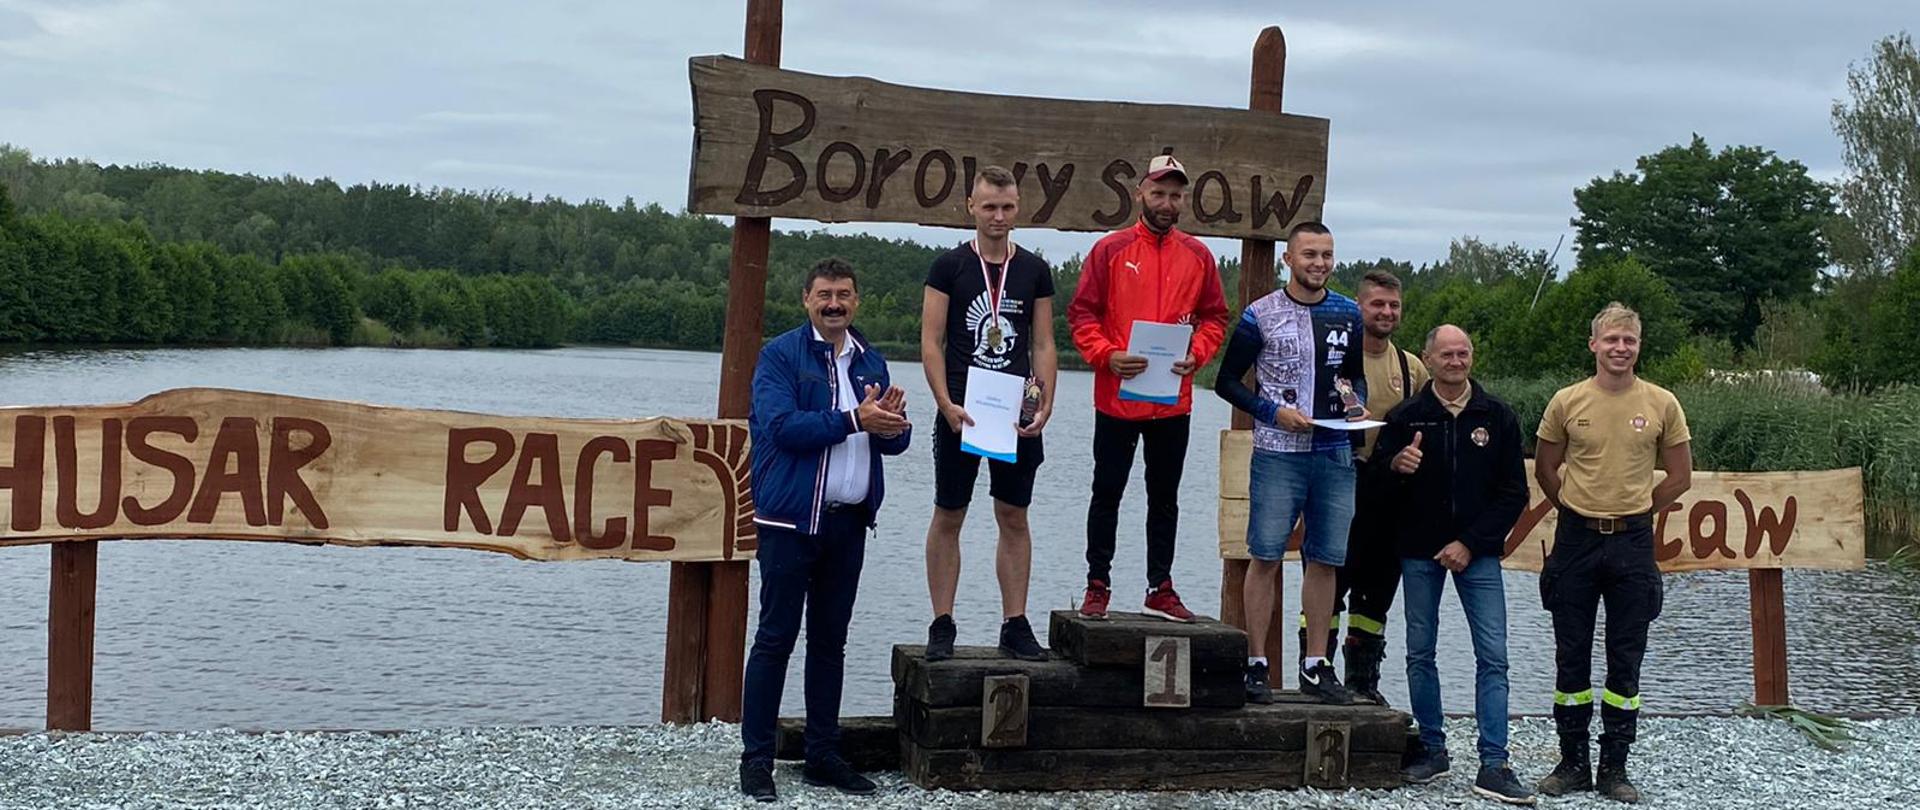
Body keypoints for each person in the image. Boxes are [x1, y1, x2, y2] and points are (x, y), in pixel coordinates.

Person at [738, 258, 913, 803]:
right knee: (774, 640)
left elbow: (890, 442)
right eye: (824, 295)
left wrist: (892, 427)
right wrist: (856, 420)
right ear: (806, 300)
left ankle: (822, 754)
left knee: (831, 643)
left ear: (857, 301)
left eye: (843, 294)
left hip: (848, 523)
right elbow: (783, 428)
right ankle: (756, 759)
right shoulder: (779, 356)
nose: (834, 303)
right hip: (791, 522)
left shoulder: (870, 361)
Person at [1533, 302, 1692, 804]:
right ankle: (1572, 762)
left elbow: (1680, 476)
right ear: (1594, 345)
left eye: (1629, 341)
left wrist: (1639, 508)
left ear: (1639, 346)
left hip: (1632, 543)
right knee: (1570, 656)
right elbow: (1546, 469)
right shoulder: (1567, 401)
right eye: (1611, 340)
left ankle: (1615, 767)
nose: (1620, 348)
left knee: (1626, 659)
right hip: (1576, 541)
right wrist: (1579, 508)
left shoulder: (1662, 402)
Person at [1370, 325, 1533, 805]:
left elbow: (1513, 494)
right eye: (1446, 354)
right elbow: (1377, 489)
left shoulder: (1497, 416)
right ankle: (1433, 749)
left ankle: (1494, 763)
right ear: (1429, 358)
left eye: (1463, 353)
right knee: (1420, 651)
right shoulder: (1405, 417)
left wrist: (1468, 541)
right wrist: (1394, 467)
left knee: (1493, 657)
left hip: (1477, 554)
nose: (1455, 361)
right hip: (1419, 551)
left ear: (1472, 357)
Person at [1066, 152, 1228, 622]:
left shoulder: (1198, 255)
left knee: (1165, 497)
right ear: (1140, 193)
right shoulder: (1110, 250)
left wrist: (1197, 354)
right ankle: (1098, 583)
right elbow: (1082, 313)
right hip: (1117, 397)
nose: (1167, 202)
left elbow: (1215, 317)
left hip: (1171, 401)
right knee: (1107, 492)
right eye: (1159, 192)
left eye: (1175, 195)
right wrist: (1105, 354)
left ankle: (1160, 585)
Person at [1214, 220, 1365, 704]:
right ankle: (1257, 663)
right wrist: (1271, 411)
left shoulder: (1348, 313)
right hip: (1278, 453)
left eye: (1326, 255)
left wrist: (1355, 403)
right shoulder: (1261, 314)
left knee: (1325, 559)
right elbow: (1227, 382)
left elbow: (1354, 378)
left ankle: (1316, 664)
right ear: (1289, 259)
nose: (1318, 263)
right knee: (1266, 555)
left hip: (1334, 452)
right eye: (1309, 255)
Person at [920, 165, 1059, 662]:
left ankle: (1014, 623)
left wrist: (1042, 401)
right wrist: (943, 402)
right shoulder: (948, 266)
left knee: (1013, 515)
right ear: (971, 208)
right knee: (949, 513)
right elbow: (931, 342)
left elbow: (1043, 342)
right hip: (962, 407)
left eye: (1006, 208)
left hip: (1013, 412)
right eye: (989, 207)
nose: (998, 217)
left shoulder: (1034, 270)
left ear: (1017, 208)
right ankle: (942, 623)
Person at [1326, 270, 1430, 704]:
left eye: (1393, 306)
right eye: (1377, 304)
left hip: (1389, 492)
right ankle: (1317, 674)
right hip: (1338, 482)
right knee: (1330, 585)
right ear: (1358, 307)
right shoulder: (1334, 358)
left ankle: (1363, 684)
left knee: (1378, 591)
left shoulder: (1412, 367)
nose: (1386, 312)